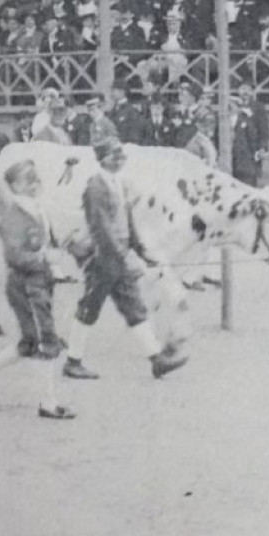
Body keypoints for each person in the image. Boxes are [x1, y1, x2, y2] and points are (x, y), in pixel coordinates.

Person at [61, 138, 188, 382]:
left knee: (133, 307)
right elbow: (100, 227)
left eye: (121, 155)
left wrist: (141, 251)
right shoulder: (95, 186)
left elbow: (127, 223)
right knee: (90, 308)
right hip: (102, 260)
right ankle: (72, 361)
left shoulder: (118, 183)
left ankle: (157, 360)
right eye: (113, 155)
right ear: (101, 158)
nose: (119, 160)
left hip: (117, 259)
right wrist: (121, 257)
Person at [0, 159, 74, 420]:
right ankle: (47, 403)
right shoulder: (13, 215)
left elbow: (48, 242)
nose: (35, 183)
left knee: (29, 342)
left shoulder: (36, 209)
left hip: (38, 281)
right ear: (14, 185)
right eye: (29, 180)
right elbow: (16, 257)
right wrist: (45, 259)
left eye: (36, 178)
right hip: (26, 284)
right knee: (45, 339)